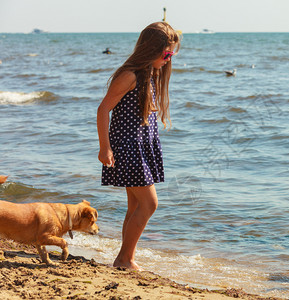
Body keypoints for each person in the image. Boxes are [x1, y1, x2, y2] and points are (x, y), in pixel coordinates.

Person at [97, 22, 181, 270]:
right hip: (128, 147)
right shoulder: (130, 75)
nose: (169, 59)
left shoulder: (149, 75)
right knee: (149, 204)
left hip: (141, 147)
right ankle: (124, 258)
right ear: (152, 49)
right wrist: (105, 148)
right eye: (167, 53)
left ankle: (126, 258)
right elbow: (103, 109)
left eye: (172, 54)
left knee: (135, 205)